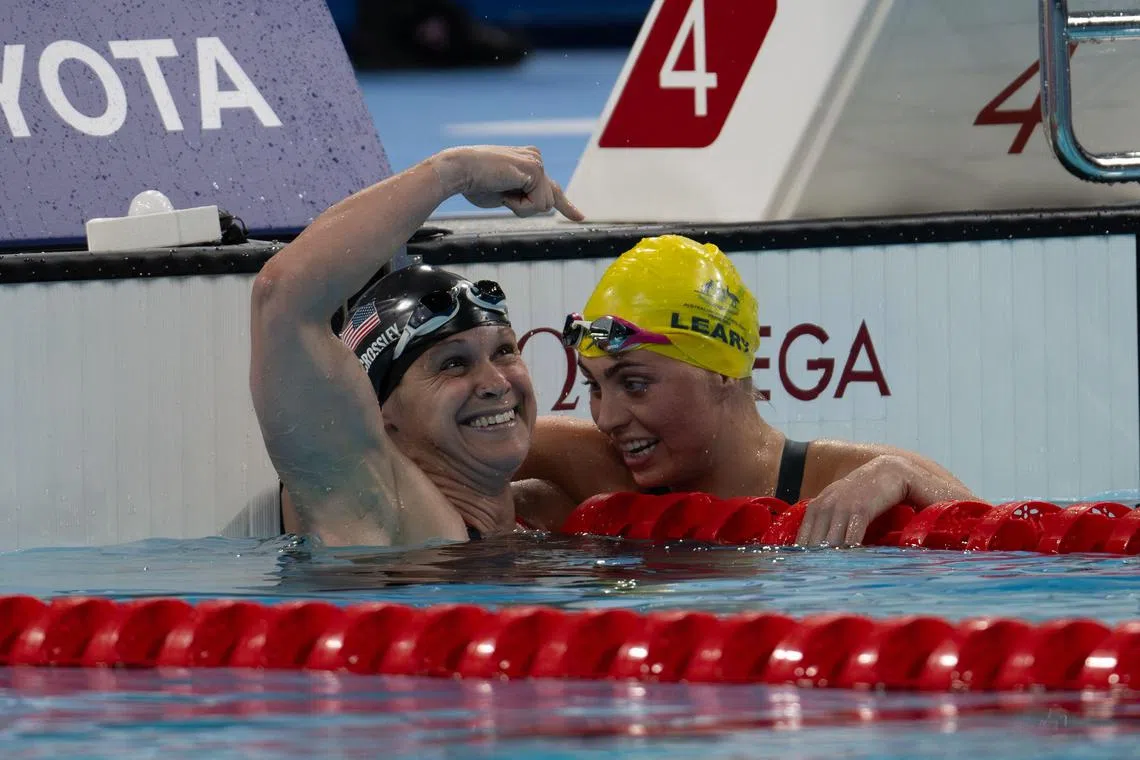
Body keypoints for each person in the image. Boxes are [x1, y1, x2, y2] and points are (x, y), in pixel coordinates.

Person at [512, 235, 976, 546]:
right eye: (594, 386)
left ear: (723, 372)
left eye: (635, 384)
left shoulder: (844, 479)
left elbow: (1011, 546)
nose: (607, 417)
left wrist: (906, 476)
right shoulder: (584, 465)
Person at [250, 145, 583, 547]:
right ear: (383, 415)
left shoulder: (550, 506)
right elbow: (282, 300)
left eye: (504, 351)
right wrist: (455, 172)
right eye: (454, 364)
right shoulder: (388, 517)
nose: (495, 383)